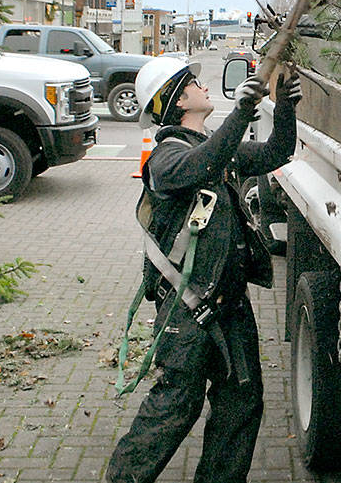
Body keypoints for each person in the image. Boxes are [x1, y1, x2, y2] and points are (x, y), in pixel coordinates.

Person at [104, 56, 300, 483]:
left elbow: (275, 151)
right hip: (188, 311)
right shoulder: (165, 160)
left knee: (242, 406)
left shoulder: (213, 148)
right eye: (193, 82)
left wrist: (284, 108)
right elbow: (205, 164)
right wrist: (243, 111)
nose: (204, 85)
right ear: (177, 101)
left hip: (230, 307)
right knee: (174, 407)